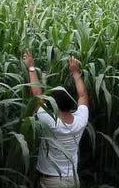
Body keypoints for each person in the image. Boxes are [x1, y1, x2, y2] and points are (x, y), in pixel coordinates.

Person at [23, 52, 90, 188]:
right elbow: (83, 95)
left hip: (51, 181)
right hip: (72, 179)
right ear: (72, 104)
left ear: (53, 104)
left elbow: (37, 95)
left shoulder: (49, 121)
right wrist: (76, 72)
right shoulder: (80, 120)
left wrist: (31, 67)